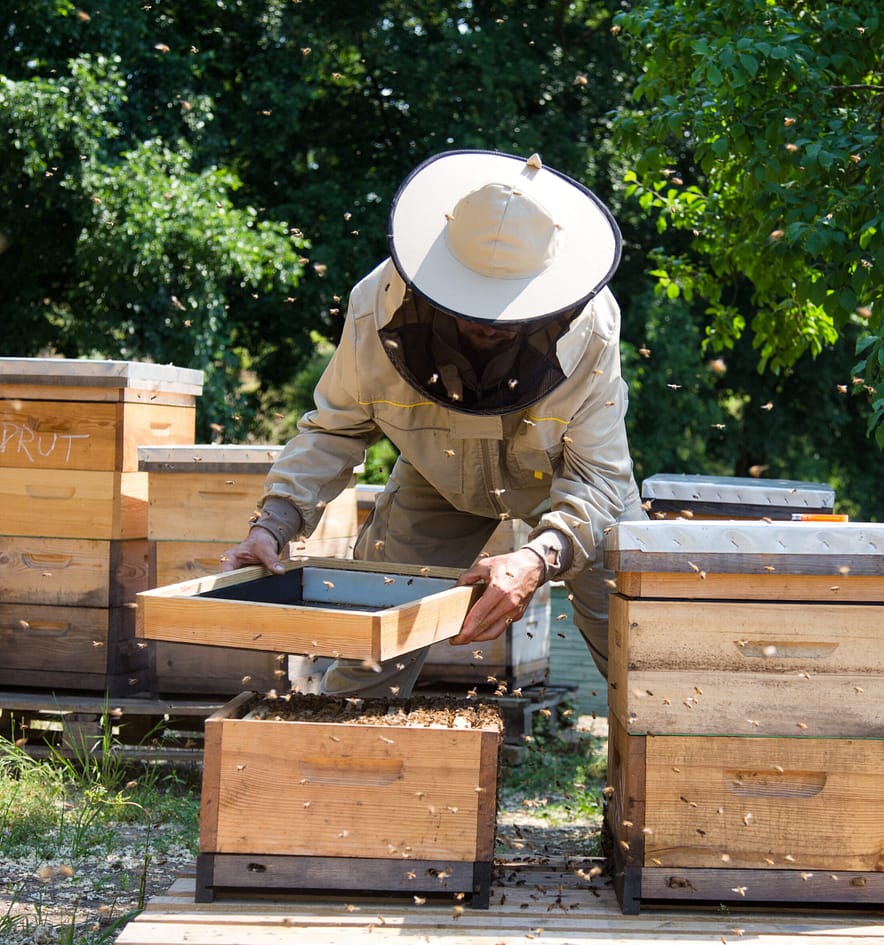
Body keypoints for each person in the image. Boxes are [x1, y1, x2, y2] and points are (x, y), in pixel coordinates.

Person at [221, 149, 645, 696]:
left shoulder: (595, 327)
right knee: (372, 637)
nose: (489, 325)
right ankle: (332, 762)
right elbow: (335, 428)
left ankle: (665, 772)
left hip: (568, 485)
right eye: (472, 311)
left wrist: (538, 557)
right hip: (438, 478)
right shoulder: (376, 306)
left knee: (636, 645)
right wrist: (272, 524)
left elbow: (600, 480)